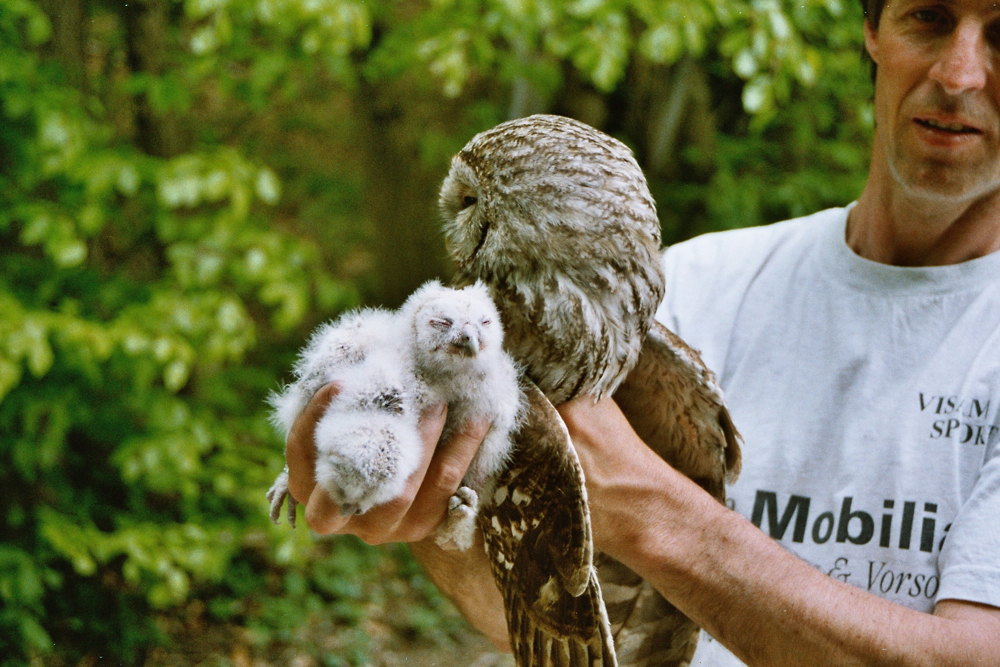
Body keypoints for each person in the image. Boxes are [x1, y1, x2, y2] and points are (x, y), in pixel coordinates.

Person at [283, 1, 1000, 664]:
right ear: (873, 29)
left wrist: (644, 506)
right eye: (929, 18)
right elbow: (544, 607)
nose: (959, 73)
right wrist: (439, 512)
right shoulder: (695, 285)